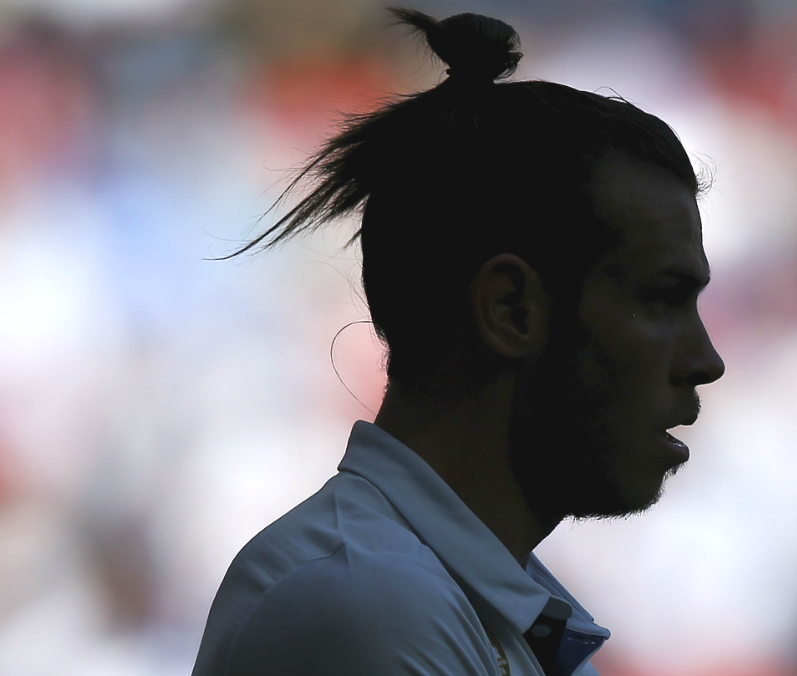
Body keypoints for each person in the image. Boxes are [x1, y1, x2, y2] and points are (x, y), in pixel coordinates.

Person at [192, 8, 724, 676]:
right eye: (662, 299)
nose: (706, 361)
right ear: (510, 309)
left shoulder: (477, 610)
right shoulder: (369, 608)